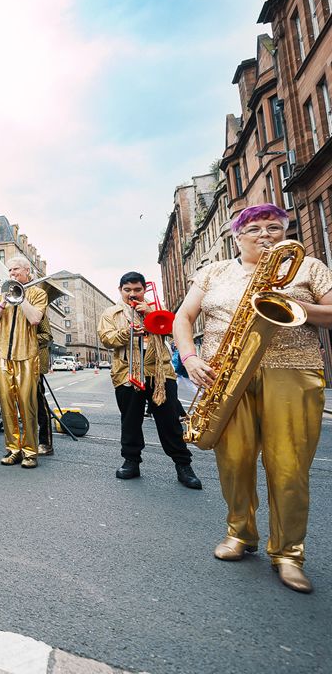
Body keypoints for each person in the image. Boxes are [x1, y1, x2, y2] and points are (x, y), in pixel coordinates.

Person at [173, 204, 332, 594]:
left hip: (292, 370)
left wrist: (294, 306)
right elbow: (183, 318)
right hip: (225, 374)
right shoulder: (213, 271)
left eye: (274, 227)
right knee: (234, 460)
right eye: (255, 228)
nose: (265, 234)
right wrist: (191, 357)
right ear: (237, 236)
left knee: (289, 465)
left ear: (285, 232)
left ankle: (289, 553)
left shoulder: (308, 266)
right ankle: (240, 532)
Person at [97, 271, 201, 489]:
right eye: (127, 290)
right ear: (120, 290)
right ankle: (131, 461)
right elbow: (107, 339)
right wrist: (128, 331)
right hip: (127, 372)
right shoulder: (111, 313)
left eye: (137, 290)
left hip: (160, 372)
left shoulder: (156, 308)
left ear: (144, 290)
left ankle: (183, 464)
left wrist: (152, 313)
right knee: (131, 420)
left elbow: (175, 332)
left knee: (170, 421)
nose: (132, 294)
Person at [0, 257, 47, 468]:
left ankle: (30, 451)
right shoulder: (1, 293)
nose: (12, 273)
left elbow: (35, 319)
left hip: (26, 355)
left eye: (16, 269)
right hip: (2, 354)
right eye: (9, 270)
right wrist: (3, 301)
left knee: (27, 405)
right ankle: (13, 449)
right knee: (7, 405)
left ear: (27, 271)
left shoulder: (38, 293)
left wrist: (21, 298)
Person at [34, 313, 54, 456]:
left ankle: (45, 443)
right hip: (17, 363)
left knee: (40, 404)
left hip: (34, 364)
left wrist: (26, 336)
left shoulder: (39, 311)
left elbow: (47, 336)